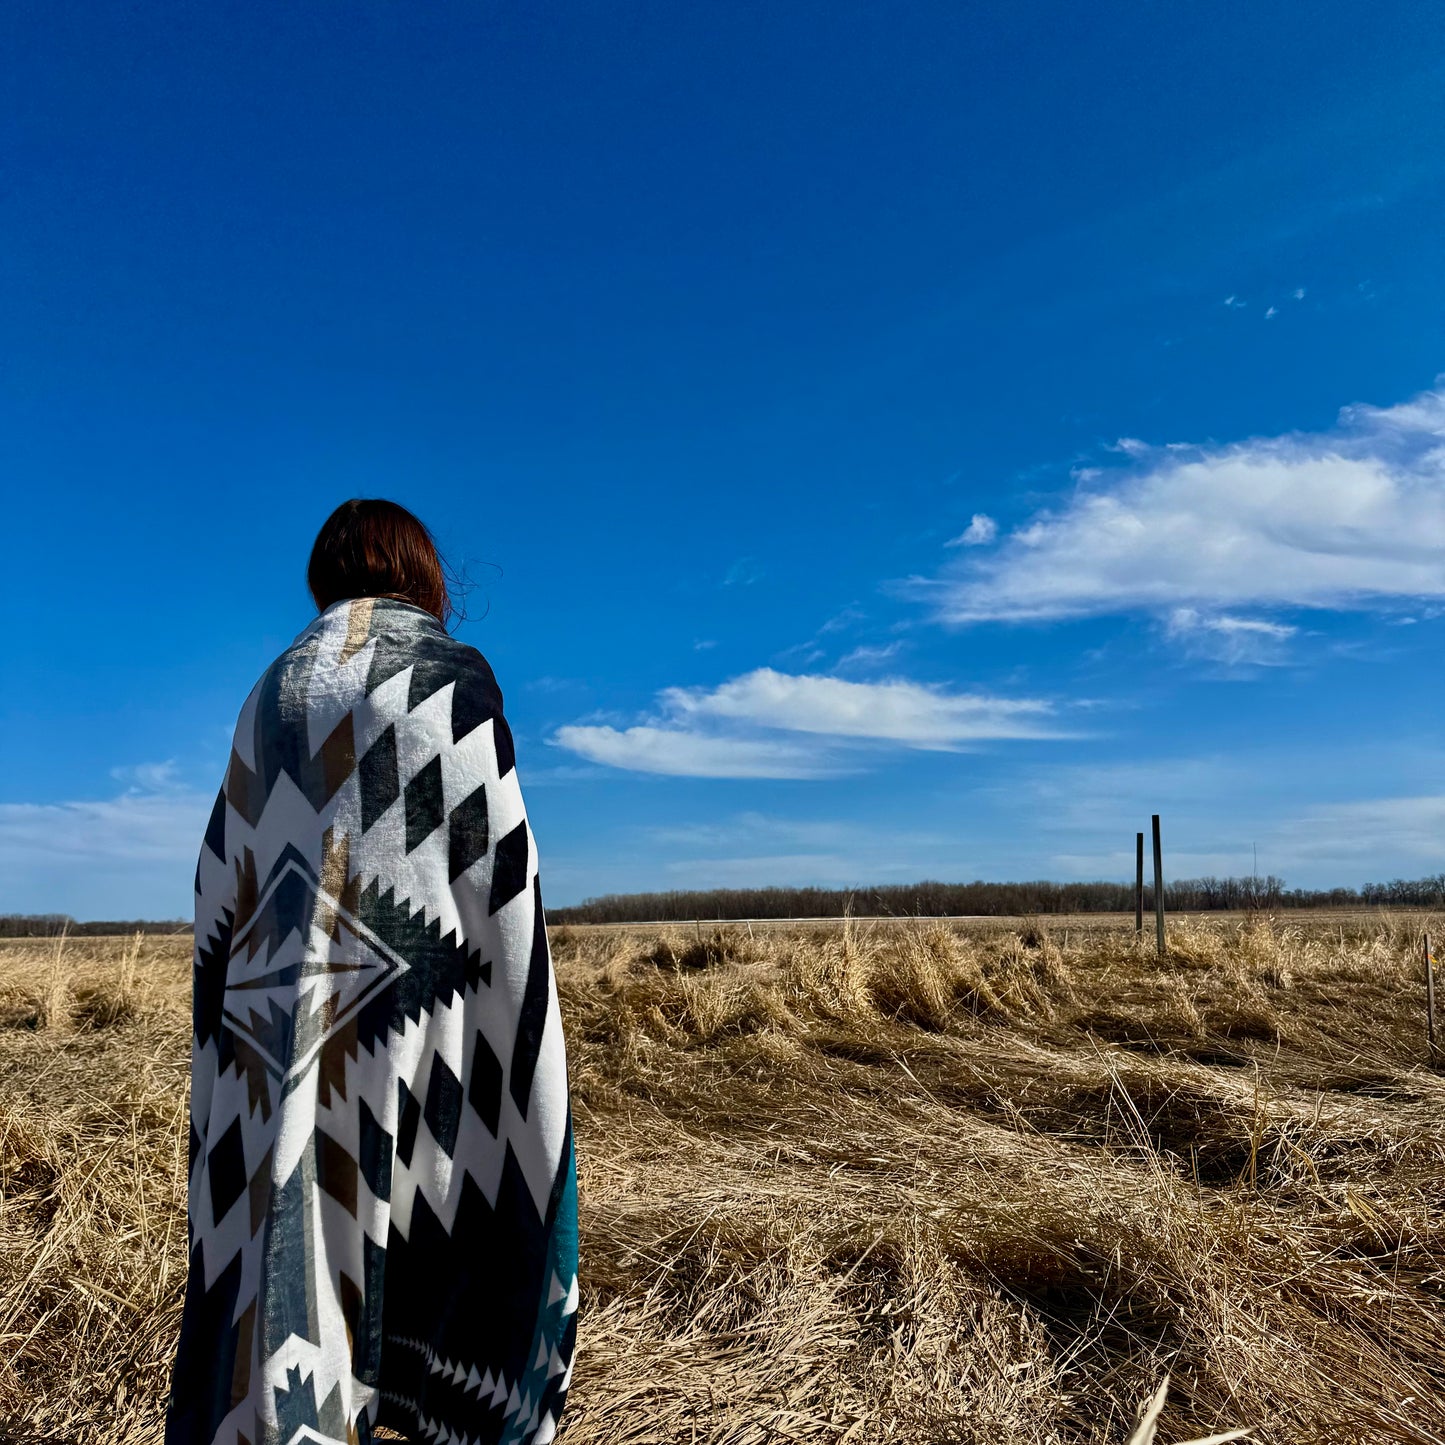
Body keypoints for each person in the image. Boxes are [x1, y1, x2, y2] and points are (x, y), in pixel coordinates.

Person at [166, 499, 578, 1445]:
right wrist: (513, 1063)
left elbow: (216, 891)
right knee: (442, 1235)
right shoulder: (446, 682)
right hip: (414, 1046)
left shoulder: (264, 699)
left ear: (325, 573)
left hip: (274, 1046)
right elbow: (501, 898)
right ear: (423, 574)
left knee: (289, 1259)